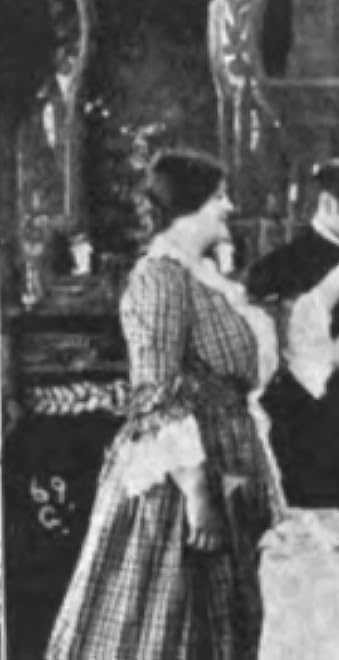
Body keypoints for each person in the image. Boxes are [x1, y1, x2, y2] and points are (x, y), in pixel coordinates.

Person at [46, 149, 282, 659]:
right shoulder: (160, 277)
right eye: (219, 196)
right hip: (183, 477)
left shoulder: (201, 275)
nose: (229, 207)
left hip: (228, 458)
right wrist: (197, 493)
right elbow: (156, 393)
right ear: (189, 204)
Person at [246, 159, 339, 507]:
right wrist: (335, 355)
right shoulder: (280, 266)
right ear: (328, 204)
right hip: (309, 441)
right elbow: (264, 367)